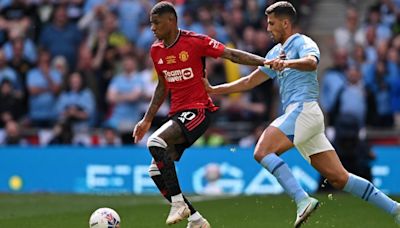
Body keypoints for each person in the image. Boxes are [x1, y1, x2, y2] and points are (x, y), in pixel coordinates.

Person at [203, 2, 400, 227]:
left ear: (285, 23)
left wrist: (285, 63)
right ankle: (395, 209)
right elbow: (250, 80)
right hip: (304, 118)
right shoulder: (275, 52)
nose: (268, 28)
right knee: (339, 178)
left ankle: (302, 199)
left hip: (303, 109)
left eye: (272, 23)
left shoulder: (302, 42)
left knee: (262, 151)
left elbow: (311, 63)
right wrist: (215, 90)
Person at [132, 2, 267, 227]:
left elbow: (232, 55)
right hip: (177, 114)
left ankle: (178, 204)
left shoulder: (195, 42)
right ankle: (196, 219)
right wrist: (147, 119)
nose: (152, 28)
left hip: (199, 111)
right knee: (156, 170)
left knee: (155, 143)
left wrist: (264, 61)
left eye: (156, 23)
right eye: (150, 24)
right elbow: (162, 86)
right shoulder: (156, 50)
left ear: (171, 21)